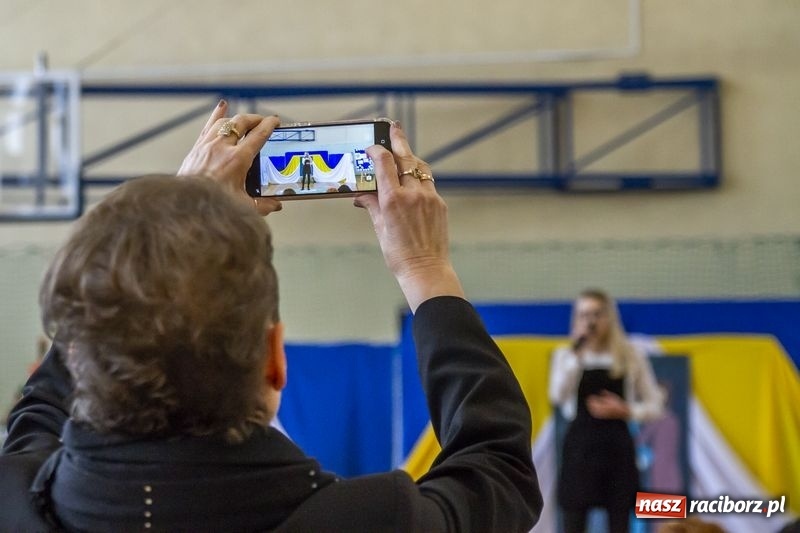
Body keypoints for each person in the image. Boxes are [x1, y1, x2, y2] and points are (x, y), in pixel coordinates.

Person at [0, 101, 543, 532]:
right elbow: (499, 465)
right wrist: (426, 269)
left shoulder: (17, 502)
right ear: (274, 360)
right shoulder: (375, 518)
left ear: (79, 356)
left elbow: (41, 412)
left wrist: (177, 220)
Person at [548, 288, 664, 533]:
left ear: (609, 317)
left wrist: (626, 410)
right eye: (584, 315)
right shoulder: (565, 355)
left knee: (620, 520)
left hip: (617, 450)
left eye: (597, 314)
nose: (590, 322)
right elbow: (557, 396)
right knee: (573, 521)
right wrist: (576, 356)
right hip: (580, 450)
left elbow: (655, 404)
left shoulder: (631, 356)